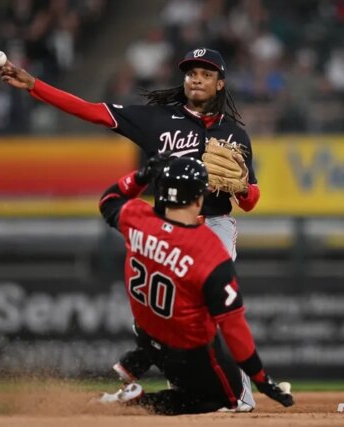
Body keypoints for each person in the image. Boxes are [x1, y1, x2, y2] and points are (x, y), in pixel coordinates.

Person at [0, 47, 259, 260]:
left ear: (220, 83)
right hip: (168, 220)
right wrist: (34, 85)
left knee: (212, 280)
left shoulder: (235, 135)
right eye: (192, 73)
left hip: (214, 223)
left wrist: (243, 189)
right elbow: (91, 111)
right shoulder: (157, 120)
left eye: (206, 74)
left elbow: (250, 202)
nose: (197, 79)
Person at [96, 153, 293, 415]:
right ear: (200, 198)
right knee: (227, 398)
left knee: (169, 323)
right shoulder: (209, 250)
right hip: (185, 350)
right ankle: (138, 397)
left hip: (147, 332)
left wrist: (141, 176)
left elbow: (109, 200)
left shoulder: (137, 217)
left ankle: (138, 361)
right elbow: (233, 327)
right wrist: (262, 380)